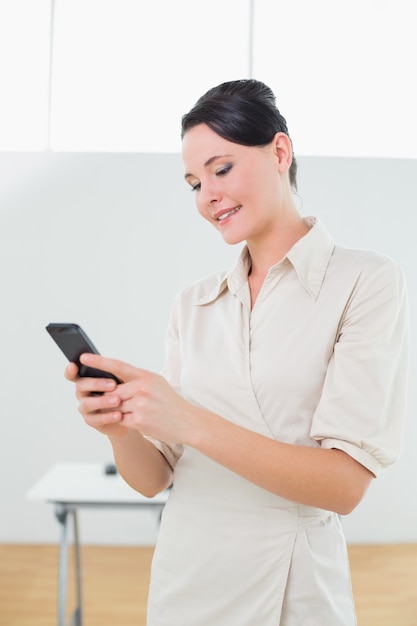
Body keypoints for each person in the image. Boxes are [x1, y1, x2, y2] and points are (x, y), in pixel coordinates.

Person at [66, 79, 409, 625]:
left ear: (279, 152)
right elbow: (156, 479)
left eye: (221, 169)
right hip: (189, 580)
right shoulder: (194, 303)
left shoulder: (364, 282)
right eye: (193, 182)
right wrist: (120, 427)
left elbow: (344, 486)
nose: (207, 195)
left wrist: (189, 421)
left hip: (292, 589)